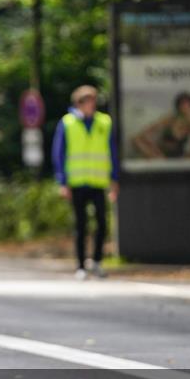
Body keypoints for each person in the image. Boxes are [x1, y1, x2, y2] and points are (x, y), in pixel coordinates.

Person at [51, 85, 119, 280]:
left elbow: (112, 151)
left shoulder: (104, 122)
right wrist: (62, 182)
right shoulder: (68, 123)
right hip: (77, 182)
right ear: (79, 104)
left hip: (98, 181)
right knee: (80, 226)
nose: (92, 105)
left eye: (94, 101)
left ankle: (96, 261)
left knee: (102, 224)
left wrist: (114, 179)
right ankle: (80, 265)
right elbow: (59, 154)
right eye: (89, 102)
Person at [131, 91, 190, 159]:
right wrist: (151, 147)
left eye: (188, 105)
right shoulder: (169, 119)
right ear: (178, 106)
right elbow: (145, 133)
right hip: (160, 153)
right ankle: (158, 159)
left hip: (178, 155)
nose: (185, 107)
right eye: (182, 104)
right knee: (135, 140)